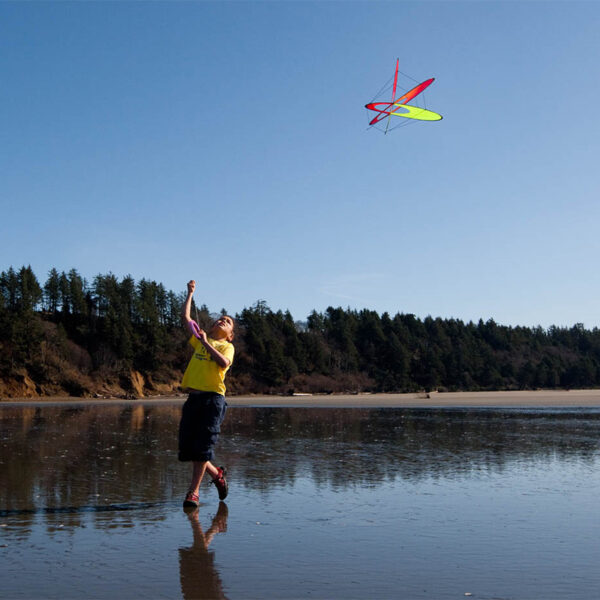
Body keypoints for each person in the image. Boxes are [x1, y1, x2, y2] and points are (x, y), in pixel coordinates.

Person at [178, 279, 235, 508]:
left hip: (213, 400)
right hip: (194, 398)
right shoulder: (201, 339)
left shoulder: (226, 346)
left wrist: (206, 343)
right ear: (211, 326)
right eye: (220, 319)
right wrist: (190, 293)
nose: (223, 320)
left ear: (230, 334)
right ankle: (216, 473)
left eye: (228, 322)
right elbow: (186, 318)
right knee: (191, 448)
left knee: (202, 447)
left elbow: (222, 363)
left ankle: (193, 492)